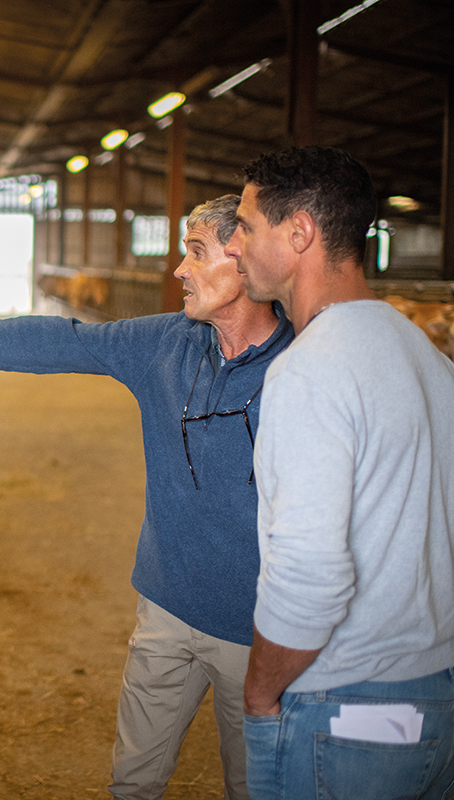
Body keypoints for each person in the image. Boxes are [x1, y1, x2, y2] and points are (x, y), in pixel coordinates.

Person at [0, 194, 293, 800]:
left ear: (243, 262)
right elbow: (55, 341)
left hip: (259, 632)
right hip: (164, 609)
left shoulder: (305, 366)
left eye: (195, 253)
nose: (179, 271)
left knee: (258, 787)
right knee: (131, 783)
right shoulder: (165, 344)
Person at [225, 145, 454, 799]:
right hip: (435, 693)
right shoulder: (426, 358)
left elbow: (311, 578)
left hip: (345, 709)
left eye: (246, 224)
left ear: (299, 232)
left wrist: (262, 690)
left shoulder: (309, 371)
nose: (235, 246)